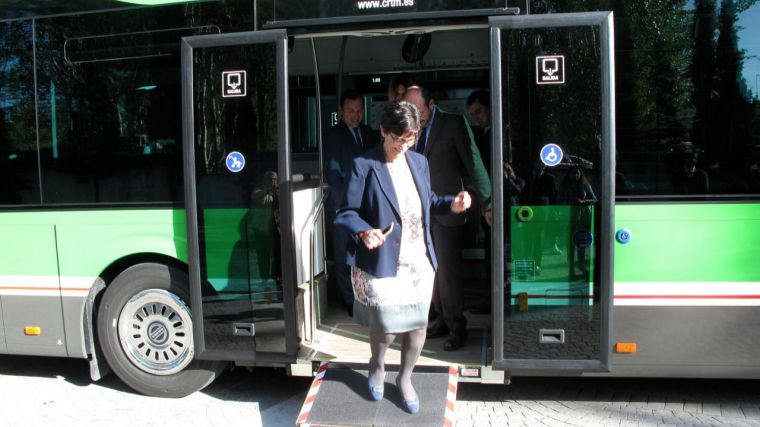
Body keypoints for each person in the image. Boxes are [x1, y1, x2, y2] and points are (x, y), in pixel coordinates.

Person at [334, 101, 472, 414]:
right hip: (382, 260)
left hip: (418, 259)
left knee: (417, 325)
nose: (404, 145)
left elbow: (430, 202)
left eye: (410, 139)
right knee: (386, 327)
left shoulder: (419, 162)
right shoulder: (364, 164)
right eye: (399, 138)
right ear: (383, 131)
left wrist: (453, 203)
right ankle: (378, 366)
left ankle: (405, 378)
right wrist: (364, 231)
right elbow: (345, 213)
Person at [404, 85, 491, 351]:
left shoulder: (453, 124)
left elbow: (474, 163)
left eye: (418, 111)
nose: (415, 117)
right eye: (410, 112)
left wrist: (489, 203)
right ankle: (442, 317)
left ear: (431, 104)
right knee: (429, 271)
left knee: (448, 274)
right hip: (418, 214)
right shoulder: (409, 129)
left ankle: (457, 326)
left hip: (447, 211)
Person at [323, 89, 380, 315]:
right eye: (350, 111)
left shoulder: (369, 133)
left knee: (364, 254)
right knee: (343, 255)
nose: (355, 116)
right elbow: (333, 173)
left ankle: (365, 297)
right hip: (343, 205)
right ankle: (349, 300)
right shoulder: (333, 135)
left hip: (367, 205)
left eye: (358, 111)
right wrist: (341, 207)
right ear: (340, 111)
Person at [466, 89, 494, 314]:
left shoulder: (497, 135)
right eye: (473, 114)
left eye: (479, 112)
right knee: (491, 248)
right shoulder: (483, 134)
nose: (476, 117)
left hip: (495, 202)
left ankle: (494, 297)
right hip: (487, 202)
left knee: (495, 250)